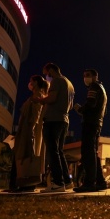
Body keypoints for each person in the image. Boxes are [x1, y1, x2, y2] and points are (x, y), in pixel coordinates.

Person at [8, 75, 49, 192]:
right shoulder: (35, 96)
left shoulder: (37, 97)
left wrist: (30, 130)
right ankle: (20, 183)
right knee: (23, 156)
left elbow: (35, 115)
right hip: (26, 130)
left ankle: (27, 183)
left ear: (35, 83)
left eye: (31, 81)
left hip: (29, 130)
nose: (29, 83)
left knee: (27, 156)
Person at [38, 63, 75, 193]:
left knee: (52, 151)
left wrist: (41, 99)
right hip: (64, 119)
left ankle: (58, 183)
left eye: (46, 73)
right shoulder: (69, 83)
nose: (46, 77)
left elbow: (52, 98)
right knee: (59, 151)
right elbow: (70, 105)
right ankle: (67, 181)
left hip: (53, 119)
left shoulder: (57, 81)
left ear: (51, 71)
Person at [73, 69, 108, 193]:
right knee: (93, 153)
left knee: (88, 152)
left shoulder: (94, 87)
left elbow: (91, 104)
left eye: (87, 75)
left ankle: (89, 183)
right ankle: (100, 181)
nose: (85, 78)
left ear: (95, 76)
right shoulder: (102, 88)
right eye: (84, 75)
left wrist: (80, 109)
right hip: (97, 123)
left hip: (90, 123)